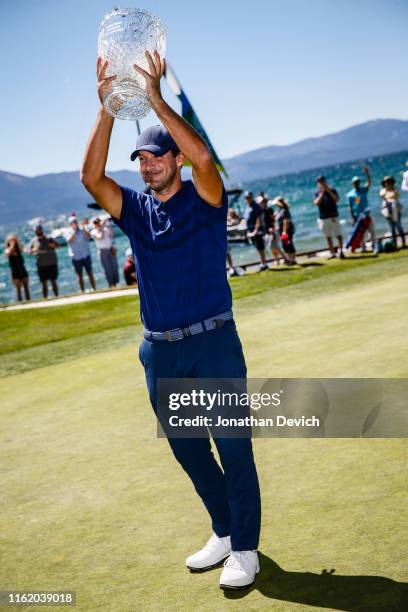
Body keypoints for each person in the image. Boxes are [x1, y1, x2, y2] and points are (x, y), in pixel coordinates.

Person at [80, 51, 261, 590]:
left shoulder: (206, 198)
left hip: (214, 345)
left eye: (156, 157)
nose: (147, 165)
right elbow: (91, 177)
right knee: (188, 449)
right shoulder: (135, 209)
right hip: (161, 351)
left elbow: (205, 159)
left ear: (174, 160)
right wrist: (109, 106)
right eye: (141, 159)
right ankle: (225, 531)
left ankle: (246, 549)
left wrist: (154, 97)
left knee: (234, 447)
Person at [347, 167, 378, 254]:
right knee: (361, 233)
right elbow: (351, 206)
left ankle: (374, 247)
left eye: (358, 182)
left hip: (366, 214)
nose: (357, 184)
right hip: (358, 216)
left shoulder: (363, 190)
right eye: (355, 182)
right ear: (352, 184)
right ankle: (363, 247)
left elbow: (369, 183)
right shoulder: (351, 195)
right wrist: (352, 217)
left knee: (371, 231)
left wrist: (367, 174)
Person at [314, 176, 345, 259]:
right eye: (319, 182)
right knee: (328, 236)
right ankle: (332, 252)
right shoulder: (318, 193)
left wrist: (329, 192)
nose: (321, 183)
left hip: (333, 216)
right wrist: (322, 193)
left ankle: (341, 251)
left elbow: (337, 199)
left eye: (322, 181)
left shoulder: (332, 190)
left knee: (338, 234)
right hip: (323, 217)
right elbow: (316, 202)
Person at [28, 225, 59, 298]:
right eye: (36, 230)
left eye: (39, 230)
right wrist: (34, 250)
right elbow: (29, 252)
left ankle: (57, 297)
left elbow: (58, 246)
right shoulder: (33, 241)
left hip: (51, 263)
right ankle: (45, 298)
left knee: (53, 281)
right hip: (41, 265)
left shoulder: (49, 238)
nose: (38, 231)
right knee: (43, 283)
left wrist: (52, 246)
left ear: (42, 230)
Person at [67, 216, 96, 292]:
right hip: (76, 257)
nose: (75, 224)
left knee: (90, 273)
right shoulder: (68, 232)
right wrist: (74, 231)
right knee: (79, 275)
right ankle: (82, 291)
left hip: (85, 255)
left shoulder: (82, 230)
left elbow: (88, 236)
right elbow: (69, 241)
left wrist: (83, 227)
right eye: (73, 223)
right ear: (70, 224)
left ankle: (94, 289)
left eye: (76, 222)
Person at [257, 193, 288, 264]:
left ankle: (285, 258)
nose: (262, 204)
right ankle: (276, 260)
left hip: (272, 230)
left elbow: (273, 219)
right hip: (266, 231)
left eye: (263, 202)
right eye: (261, 202)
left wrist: (273, 229)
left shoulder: (269, 209)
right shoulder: (262, 210)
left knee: (274, 246)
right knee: (272, 247)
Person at [90, 216, 119, 287]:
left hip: (110, 249)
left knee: (114, 267)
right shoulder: (93, 232)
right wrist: (102, 226)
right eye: (95, 223)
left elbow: (112, 236)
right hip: (102, 251)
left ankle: (115, 284)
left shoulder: (106, 229)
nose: (97, 224)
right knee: (107, 269)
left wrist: (108, 225)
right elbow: (100, 237)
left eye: (98, 222)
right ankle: (110, 284)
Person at [243, 191, 268, 271]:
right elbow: (246, 219)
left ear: (252, 197)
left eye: (249, 197)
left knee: (260, 247)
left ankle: (264, 264)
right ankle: (262, 263)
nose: (248, 199)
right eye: (246, 198)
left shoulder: (256, 206)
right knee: (258, 247)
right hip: (250, 231)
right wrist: (247, 231)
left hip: (257, 231)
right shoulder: (248, 207)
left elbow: (259, 218)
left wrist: (255, 230)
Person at [380, 176, 405, 249]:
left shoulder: (395, 189)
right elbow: (384, 196)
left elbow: (395, 196)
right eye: (386, 182)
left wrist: (390, 195)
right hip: (388, 212)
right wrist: (390, 194)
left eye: (389, 182)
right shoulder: (383, 190)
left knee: (399, 227)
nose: (388, 183)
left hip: (396, 210)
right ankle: (395, 244)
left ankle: (403, 242)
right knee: (392, 228)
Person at [4, 234, 30, 302]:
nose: (13, 241)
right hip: (14, 270)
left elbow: (22, 249)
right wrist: (12, 245)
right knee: (18, 288)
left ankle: (28, 301)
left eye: (14, 240)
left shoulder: (18, 248)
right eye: (11, 240)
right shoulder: (7, 249)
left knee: (26, 286)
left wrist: (17, 242)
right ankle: (20, 302)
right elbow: (8, 253)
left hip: (22, 268)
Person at [272, 196, 297, 264]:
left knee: (289, 244)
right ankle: (289, 258)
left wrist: (284, 231)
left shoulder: (285, 210)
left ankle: (292, 259)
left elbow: (286, 221)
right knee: (284, 245)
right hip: (280, 231)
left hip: (286, 231)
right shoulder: (279, 210)